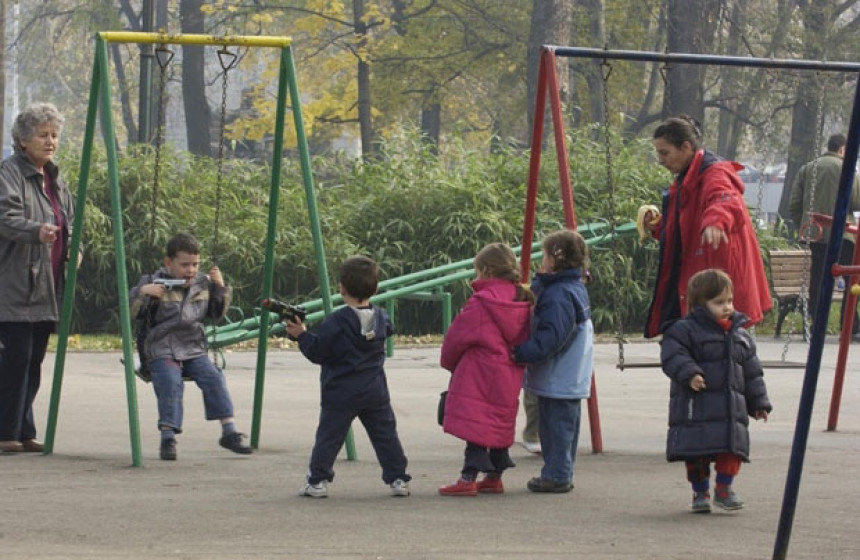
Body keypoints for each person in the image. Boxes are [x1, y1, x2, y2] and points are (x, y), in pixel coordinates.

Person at [285, 255, 411, 499]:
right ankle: (398, 478)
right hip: (375, 389)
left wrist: (301, 334)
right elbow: (389, 329)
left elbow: (318, 351)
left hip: (340, 391)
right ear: (375, 289)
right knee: (385, 435)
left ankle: (318, 481)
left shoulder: (337, 321)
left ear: (341, 288)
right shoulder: (382, 317)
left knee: (329, 437)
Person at [640, 115, 772, 338]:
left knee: (725, 346)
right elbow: (687, 224)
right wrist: (658, 226)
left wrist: (715, 222)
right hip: (706, 275)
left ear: (686, 147)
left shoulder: (714, 172)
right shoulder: (688, 178)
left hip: (718, 278)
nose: (661, 160)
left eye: (665, 153)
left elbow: (724, 199)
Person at [129, 232, 252, 461]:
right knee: (170, 381)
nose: (191, 270)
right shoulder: (152, 282)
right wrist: (143, 294)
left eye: (195, 264)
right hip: (161, 347)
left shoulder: (202, 284)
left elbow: (216, 313)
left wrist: (220, 288)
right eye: (184, 265)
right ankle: (168, 437)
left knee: (214, 377)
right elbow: (132, 312)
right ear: (168, 262)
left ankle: (229, 431)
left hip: (193, 347)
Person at [660, 269, 772, 513]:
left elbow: (752, 373)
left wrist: (759, 403)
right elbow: (673, 355)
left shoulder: (741, 336)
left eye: (729, 301)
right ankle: (700, 491)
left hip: (731, 409)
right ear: (700, 304)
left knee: (732, 450)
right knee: (696, 454)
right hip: (697, 406)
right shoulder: (683, 330)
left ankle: (724, 488)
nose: (727, 307)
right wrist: (690, 373)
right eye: (718, 302)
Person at [0, 102, 75, 454]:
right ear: (23, 139)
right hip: (15, 285)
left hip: (48, 285)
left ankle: (23, 430)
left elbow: (68, 224)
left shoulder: (55, 180)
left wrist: (74, 249)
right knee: (16, 359)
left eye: (54, 135)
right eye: (43, 135)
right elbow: (5, 217)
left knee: (34, 361)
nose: (50, 142)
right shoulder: (9, 173)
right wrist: (36, 230)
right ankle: (5, 431)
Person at [437, 243, 533, 496]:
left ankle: (468, 477)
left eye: (477, 271)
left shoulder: (482, 302)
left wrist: (449, 363)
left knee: (476, 425)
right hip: (509, 372)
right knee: (498, 421)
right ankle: (494, 475)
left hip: (478, 372)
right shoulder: (522, 298)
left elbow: (457, 338)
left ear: (487, 271)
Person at [513, 229, 594, 494]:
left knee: (555, 428)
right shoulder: (572, 287)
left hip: (559, 375)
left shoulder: (559, 294)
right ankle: (561, 470)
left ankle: (557, 474)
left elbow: (552, 337)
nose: (542, 260)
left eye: (545, 255)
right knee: (565, 427)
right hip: (568, 375)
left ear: (556, 260)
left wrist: (522, 352)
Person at [788, 133, 860, 337]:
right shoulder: (847, 169)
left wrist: (804, 225)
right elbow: (856, 201)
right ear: (843, 149)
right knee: (850, 278)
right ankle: (851, 325)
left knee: (818, 277)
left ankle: (815, 322)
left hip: (815, 235)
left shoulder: (807, 169)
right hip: (844, 235)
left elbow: (795, 203)